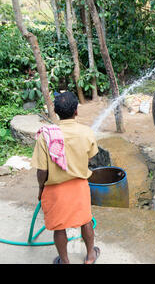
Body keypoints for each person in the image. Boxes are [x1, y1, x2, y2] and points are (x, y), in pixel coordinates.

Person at [31, 91, 100, 264]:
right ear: (76, 111)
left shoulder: (46, 136)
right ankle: (90, 255)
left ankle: (64, 261)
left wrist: (41, 188)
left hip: (55, 190)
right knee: (86, 222)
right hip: (79, 186)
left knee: (59, 227)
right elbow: (89, 157)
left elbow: (42, 171)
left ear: (55, 112)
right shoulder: (86, 132)